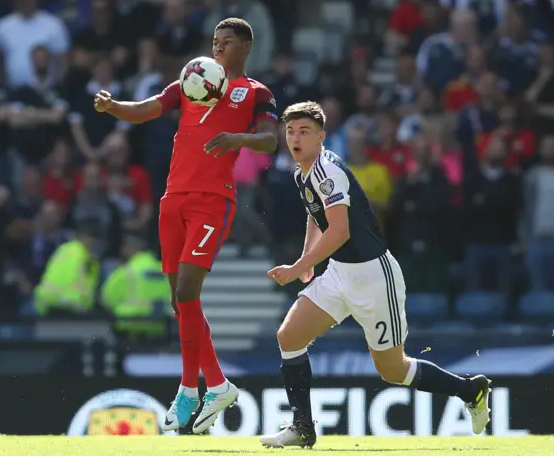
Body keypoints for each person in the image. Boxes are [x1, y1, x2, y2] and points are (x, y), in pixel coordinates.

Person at [260, 102, 491, 448]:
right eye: (290, 131)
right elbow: (315, 214)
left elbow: (339, 232)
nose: (295, 138)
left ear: (322, 136)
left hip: (373, 277)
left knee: (392, 370)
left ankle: (470, 390)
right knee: (289, 337)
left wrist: (296, 268)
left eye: (304, 131)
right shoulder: (302, 172)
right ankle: (303, 427)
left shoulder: (328, 171)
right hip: (339, 273)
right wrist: (307, 260)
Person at [93, 18, 278, 434]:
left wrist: (238, 139)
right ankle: (208, 386)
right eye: (214, 41)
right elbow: (149, 108)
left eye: (226, 42)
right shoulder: (191, 79)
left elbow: (270, 139)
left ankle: (194, 387)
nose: (217, 48)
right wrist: (114, 107)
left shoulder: (255, 93)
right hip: (172, 200)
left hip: (212, 202)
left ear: (245, 48)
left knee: (186, 291)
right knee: (180, 303)